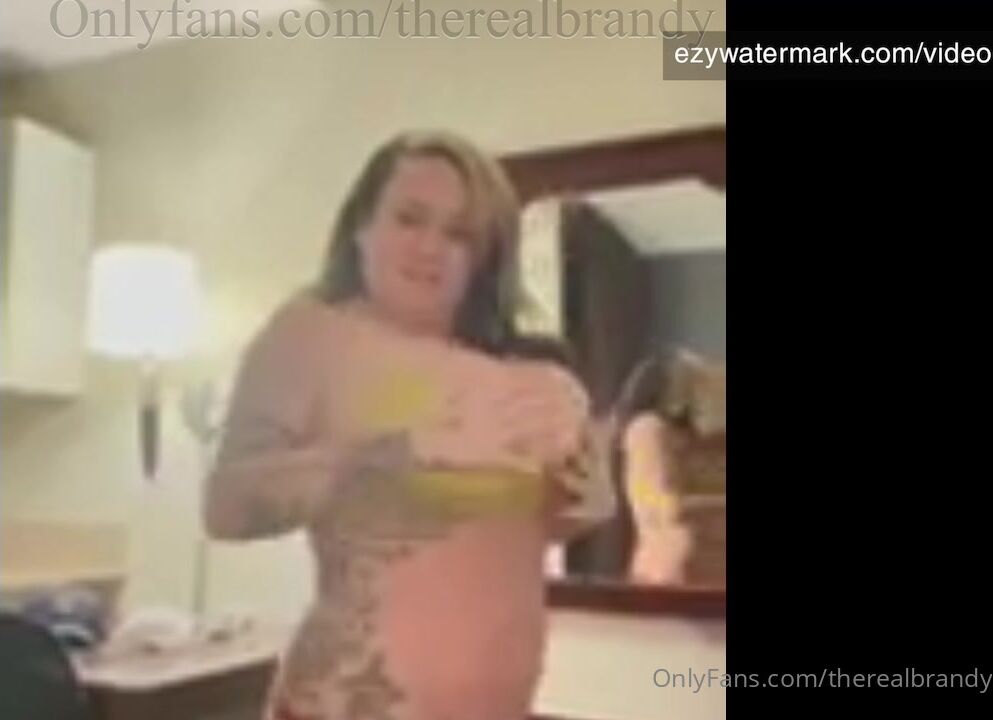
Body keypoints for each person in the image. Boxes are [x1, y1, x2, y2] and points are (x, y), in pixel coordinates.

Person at [204, 131, 616, 720]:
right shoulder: (308, 336)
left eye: (459, 234)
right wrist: (402, 452)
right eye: (410, 219)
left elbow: (497, 540)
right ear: (361, 227)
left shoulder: (521, 372)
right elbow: (227, 505)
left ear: (484, 256)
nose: (431, 247)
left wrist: (585, 500)